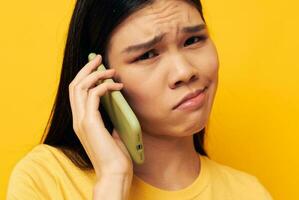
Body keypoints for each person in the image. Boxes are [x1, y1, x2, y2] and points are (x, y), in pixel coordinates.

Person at [7, 0, 273, 199]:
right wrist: (113, 181)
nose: (185, 71)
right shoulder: (47, 179)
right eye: (147, 55)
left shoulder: (249, 192)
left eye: (193, 40)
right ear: (99, 77)